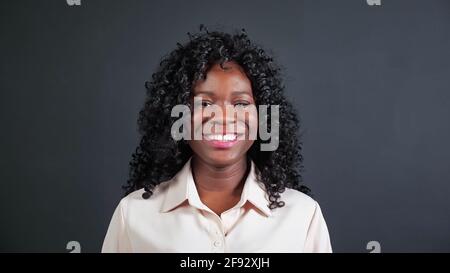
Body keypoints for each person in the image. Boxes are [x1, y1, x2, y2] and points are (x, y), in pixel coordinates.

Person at [102, 26, 332, 253]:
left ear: (263, 117)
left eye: (241, 103)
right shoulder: (134, 214)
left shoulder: (302, 215)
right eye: (204, 103)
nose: (223, 118)